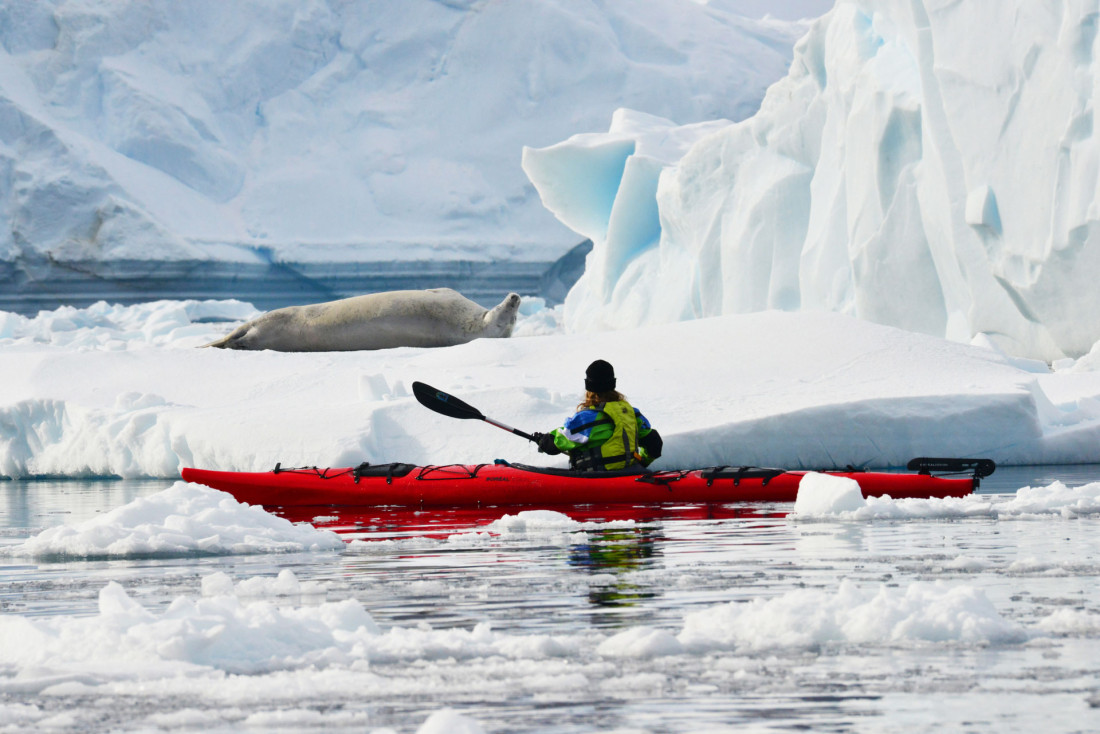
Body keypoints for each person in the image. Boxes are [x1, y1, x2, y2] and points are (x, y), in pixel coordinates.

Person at [532, 359, 662, 471]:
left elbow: (559, 442)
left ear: (589, 387)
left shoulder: (587, 418)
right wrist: (641, 463)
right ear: (613, 384)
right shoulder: (632, 414)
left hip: (598, 478)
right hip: (631, 474)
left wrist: (544, 441)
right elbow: (654, 443)